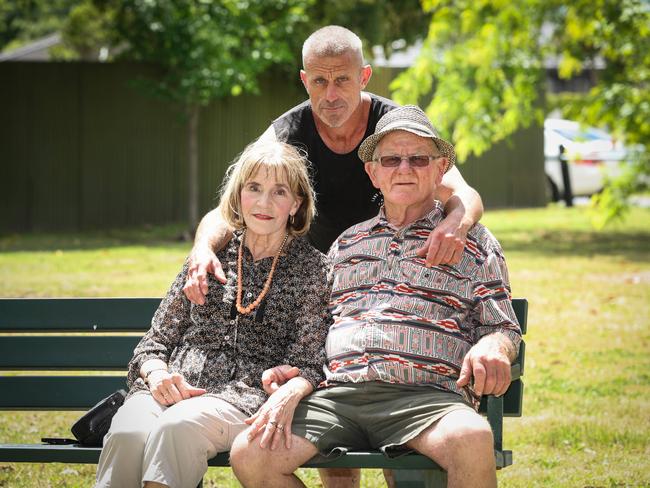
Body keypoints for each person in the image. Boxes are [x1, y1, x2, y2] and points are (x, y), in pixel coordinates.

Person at [229, 106, 522, 488]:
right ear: (373, 172)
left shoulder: (472, 242)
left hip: (425, 397)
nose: (404, 169)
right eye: (391, 159)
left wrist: (494, 348)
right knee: (250, 453)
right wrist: (296, 370)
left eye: (418, 159)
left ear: (440, 170)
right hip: (338, 397)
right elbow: (318, 326)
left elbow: (503, 326)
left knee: (472, 438)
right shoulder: (348, 244)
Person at [183, 25, 484, 308]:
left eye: (342, 80)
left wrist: (456, 221)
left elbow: (462, 192)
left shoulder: (396, 128)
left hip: (394, 266)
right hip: (313, 275)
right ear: (304, 80)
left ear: (364, 77)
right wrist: (202, 248)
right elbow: (230, 210)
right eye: (319, 81)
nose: (330, 95)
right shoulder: (285, 135)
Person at [94, 140, 332, 488]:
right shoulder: (209, 258)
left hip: (242, 398)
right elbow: (154, 342)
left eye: (278, 191)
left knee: (177, 429)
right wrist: (158, 375)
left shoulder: (312, 270)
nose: (264, 203)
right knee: (129, 432)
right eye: (254, 188)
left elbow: (310, 361)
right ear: (238, 195)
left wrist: (286, 381)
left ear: (296, 203)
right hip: (168, 388)